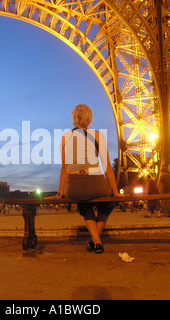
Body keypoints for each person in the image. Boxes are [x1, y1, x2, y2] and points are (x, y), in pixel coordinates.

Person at [44, 104, 121, 254]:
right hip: (95, 180)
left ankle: (96, 241)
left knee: (84, 203)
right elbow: (106, 168)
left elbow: (64, 168)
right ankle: (95, 240)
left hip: (73, 185)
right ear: (90, 118)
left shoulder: (65, 137)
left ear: (74, 118)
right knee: (108, 204)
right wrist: (116, 192)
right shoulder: (98, 135)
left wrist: (60, 192)